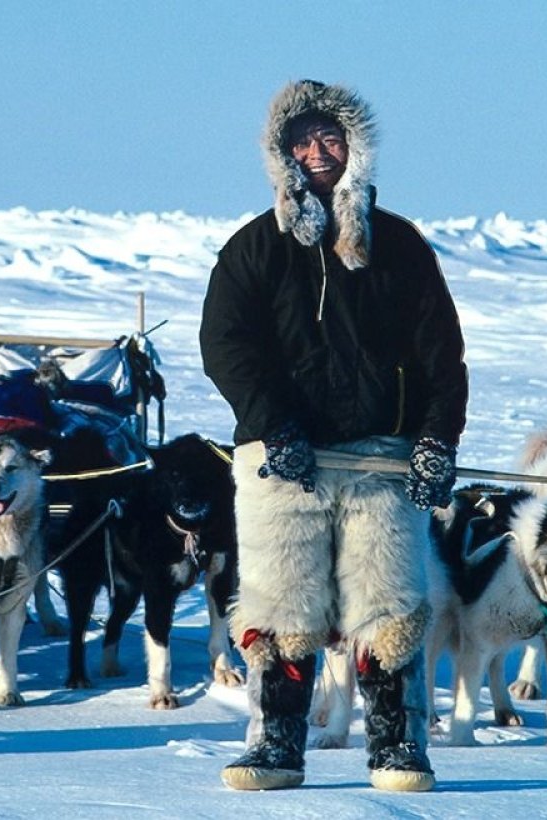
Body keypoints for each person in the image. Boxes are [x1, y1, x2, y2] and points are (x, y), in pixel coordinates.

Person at [199, 80, 468, 793]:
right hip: (279, 460)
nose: (319, 152)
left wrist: (438, 439)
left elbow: (443, 352)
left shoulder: (400, 246)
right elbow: (226, 345)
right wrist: (270, 424)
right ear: (282, 154)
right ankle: (277, 746)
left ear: (356, 147)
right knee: (281, 608)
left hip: (382, 455)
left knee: (390, 610)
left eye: (331, 138)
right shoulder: (255, 248)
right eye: (303, 141)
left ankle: (398, 749)